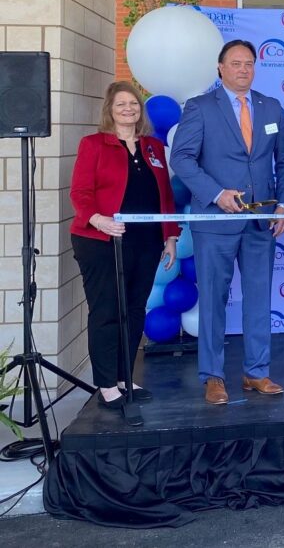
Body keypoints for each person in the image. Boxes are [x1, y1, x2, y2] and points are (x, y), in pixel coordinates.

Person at [170, 39, 284, 405]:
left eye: (249, 63)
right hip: (216, 222)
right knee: (213, 300)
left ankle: (257, 373)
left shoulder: (270, 107)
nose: (243, 69)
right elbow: (182, 159)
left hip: (261, 222)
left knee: (259, 299)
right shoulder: (200, 107)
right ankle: (213, 376)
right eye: (236, 63)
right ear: (220, 68)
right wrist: (216, 193)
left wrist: (283, 205)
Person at [70, 81, 179, 409]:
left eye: (133, 103)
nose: (128, 109)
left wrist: (170, 235)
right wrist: (97, 218)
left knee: (133, 311)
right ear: (110, 109)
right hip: (102, 241)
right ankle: (105, 384)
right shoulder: (94, 144)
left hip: (145, 243)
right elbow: (80, 192)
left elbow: (165, 197)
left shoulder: (153, 148)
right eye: (121, 104)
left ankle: (123, 377)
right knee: (106, 311)